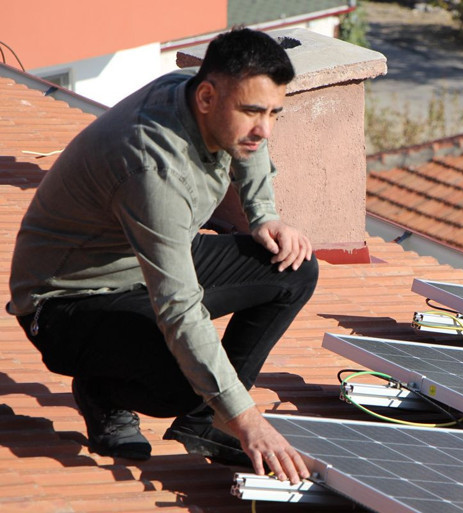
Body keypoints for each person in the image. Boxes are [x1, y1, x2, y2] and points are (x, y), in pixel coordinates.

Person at [7, 28, 318, 484]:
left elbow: (248, 142)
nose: (265, 128)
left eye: (274, 112)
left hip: (142, 258)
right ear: (208, 97)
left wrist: (263, 214)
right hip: (66, 301)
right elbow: (179, 309)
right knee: (186, 382)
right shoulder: (154, 167)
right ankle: (102, 388)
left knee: (293, 267)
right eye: (253, 110)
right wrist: (248, 420)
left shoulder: (200, 98)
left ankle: (203, 425)